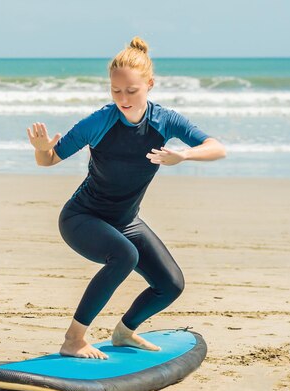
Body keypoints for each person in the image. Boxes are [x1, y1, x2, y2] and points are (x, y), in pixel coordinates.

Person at [26, 37, 226, 360]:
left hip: (126, 221)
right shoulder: (100, 122)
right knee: (125, 255)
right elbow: (49, 159)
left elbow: (217, 147)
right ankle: (74, 339)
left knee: (171, 284)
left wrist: (185, 156)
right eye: (116, 91)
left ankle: (124, 331)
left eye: (131, 91)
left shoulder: (165, 121)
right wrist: (40, 149)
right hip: (82, 218)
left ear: (149, 84)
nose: (123, 99)